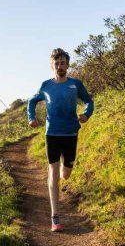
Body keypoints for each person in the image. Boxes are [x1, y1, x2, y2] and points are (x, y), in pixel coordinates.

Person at [27, 48, 94, 232]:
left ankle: (63, 171)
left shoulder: (75, 84)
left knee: (66, 174)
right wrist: (31, 117)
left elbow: (89, 101)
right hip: (52, 134)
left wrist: (86, 114)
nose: (60, 66)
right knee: (54, 173)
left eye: (63, 63)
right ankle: (55, 217)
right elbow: (32, 101)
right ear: (52, 65)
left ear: (68, 64)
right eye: (57, 63)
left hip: (71, 133)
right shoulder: (45, 85)